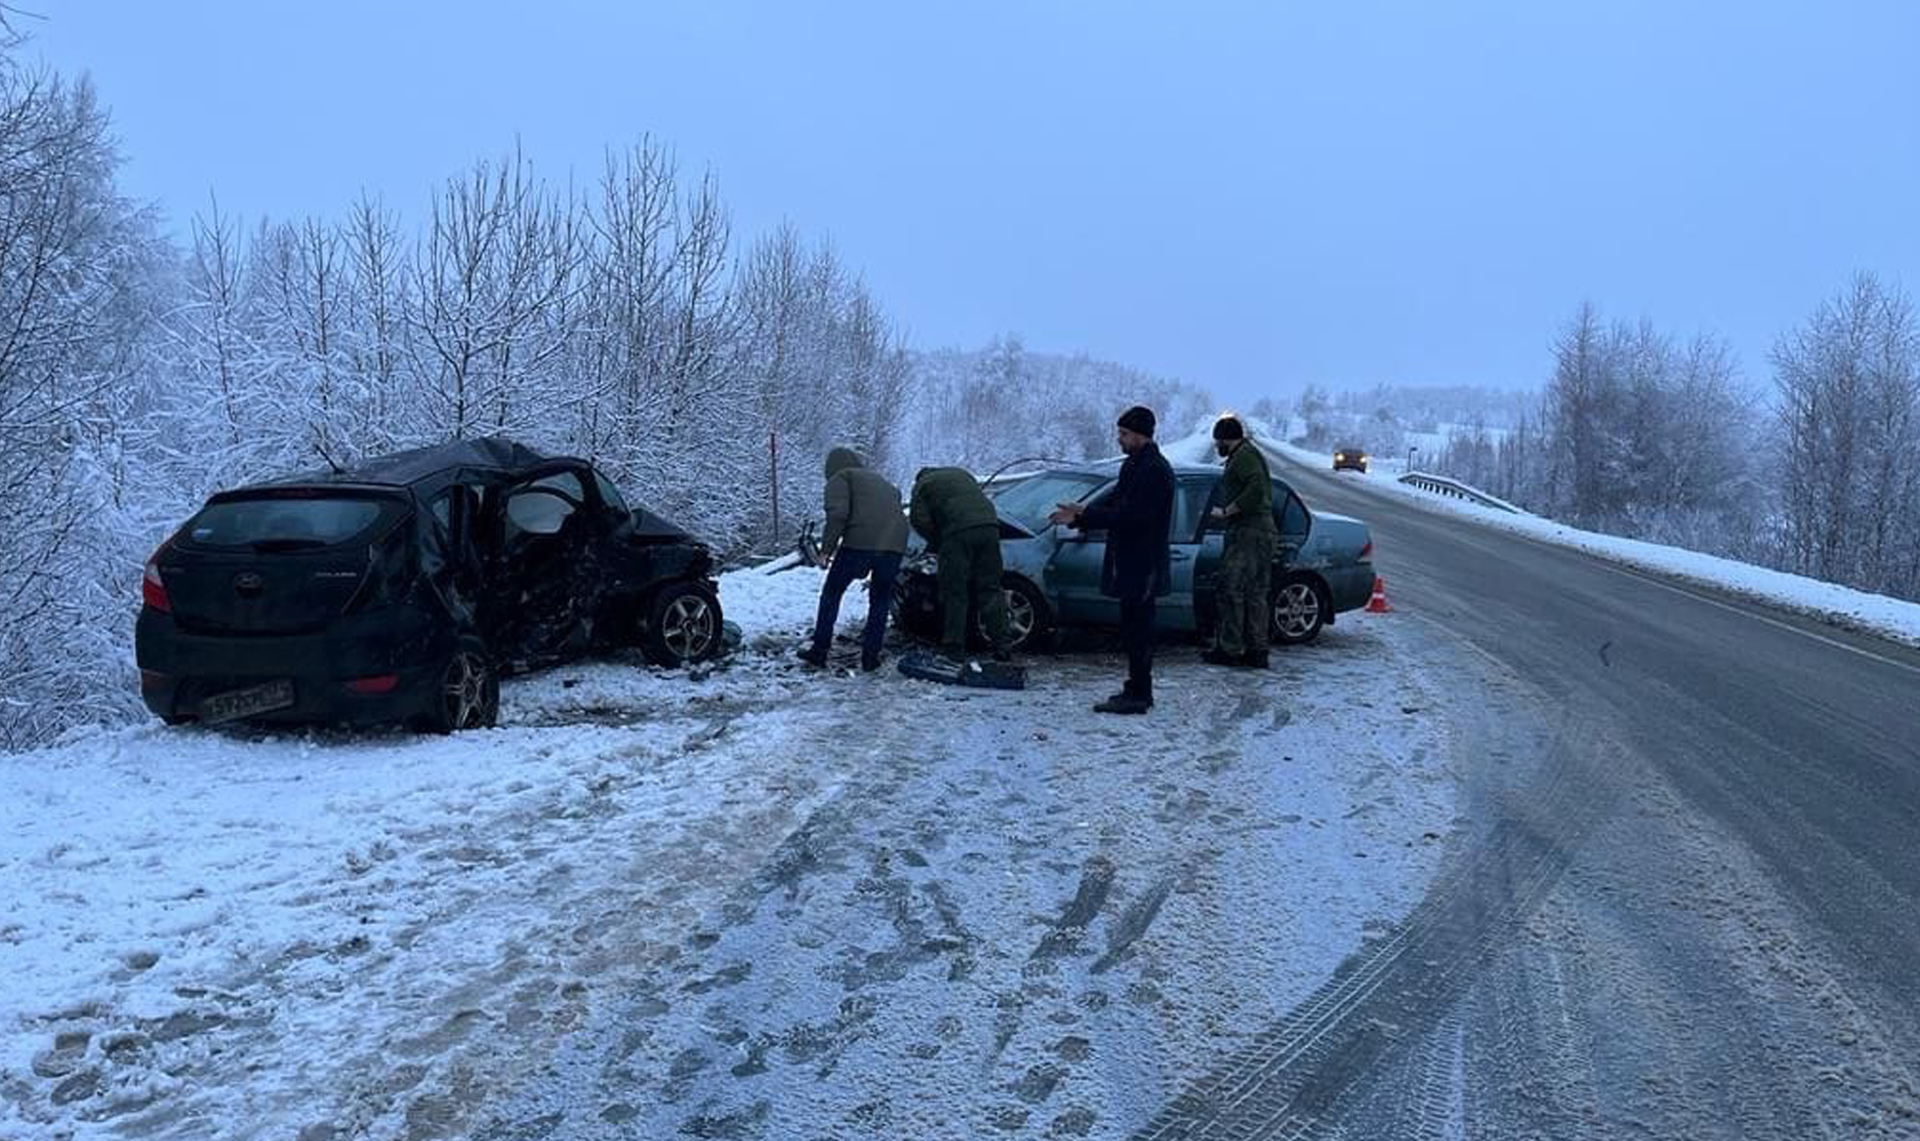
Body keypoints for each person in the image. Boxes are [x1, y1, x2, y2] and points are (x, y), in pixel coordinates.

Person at [1048, 405, 1174, 714]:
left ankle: (1139, 694)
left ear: (1141, 435)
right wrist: (1081, 516)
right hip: (1129, 561)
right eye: (1120, 433)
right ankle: (1135, 688)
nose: (1119, 439)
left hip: (1143, 563)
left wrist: (1085, 514)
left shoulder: (1155, 470)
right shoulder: (1133, 466)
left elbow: (1133, 516)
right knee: (1132, 628)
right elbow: (1116, 503)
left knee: (1140, 630)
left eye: (1125, 434)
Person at [799, 446, 910, 672]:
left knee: (832, 593)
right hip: (894, 545)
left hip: (859, 544)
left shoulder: (841, 477)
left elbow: (838, 514)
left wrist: (826, 551)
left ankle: (819, 652)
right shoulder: (883, 482)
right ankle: (871, 658)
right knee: (880, 600)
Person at [909, 465, 1013, 662]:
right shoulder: (962, 474)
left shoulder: (923, 484)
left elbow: (918, 519)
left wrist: (937, 541)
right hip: (990, 527)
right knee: (990, 588)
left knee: (954, 591)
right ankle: (1002, 644)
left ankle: (954, 647)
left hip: (957, 533)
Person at [1204, 414, 1277, 669]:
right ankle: (1257, 651)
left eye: (1218, 442)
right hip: (1260, 531)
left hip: (1249, 530)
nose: (1217, 447)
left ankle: (1230, 648)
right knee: (1256, 593)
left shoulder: (1244, 456)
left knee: (1231, 589)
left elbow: (1256, 489)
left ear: (1226, 439)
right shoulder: (1247, 454)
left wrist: (1228, 511)